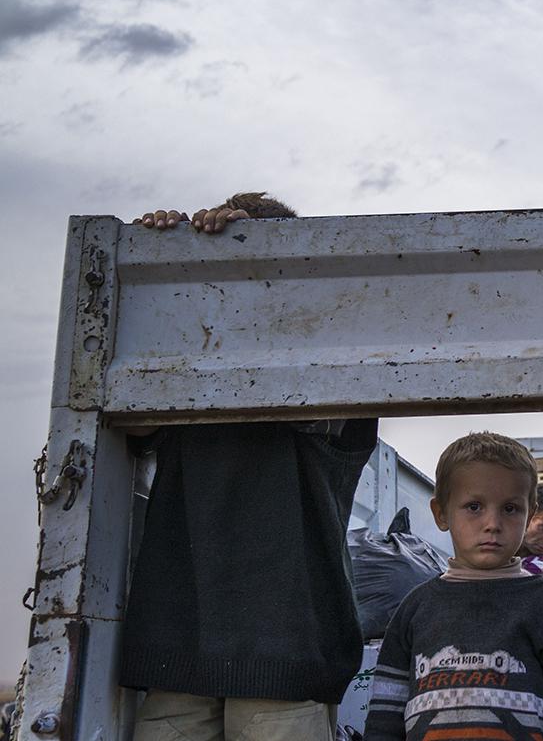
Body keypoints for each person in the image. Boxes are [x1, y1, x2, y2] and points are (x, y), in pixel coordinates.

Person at [121, 193, 379, 741]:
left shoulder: (332, 364)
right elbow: (132, 417)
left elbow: (320, 374)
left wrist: (252, 265)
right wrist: (161, 264)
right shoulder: (184, 370)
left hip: (284, 661)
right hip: (180, 660)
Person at [364, 433, 543, 741]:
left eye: (510, 509)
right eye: (474, 506)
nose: (492, 523)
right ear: (441, 513)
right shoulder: (416, 606)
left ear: (529, 514)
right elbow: (385, 713)